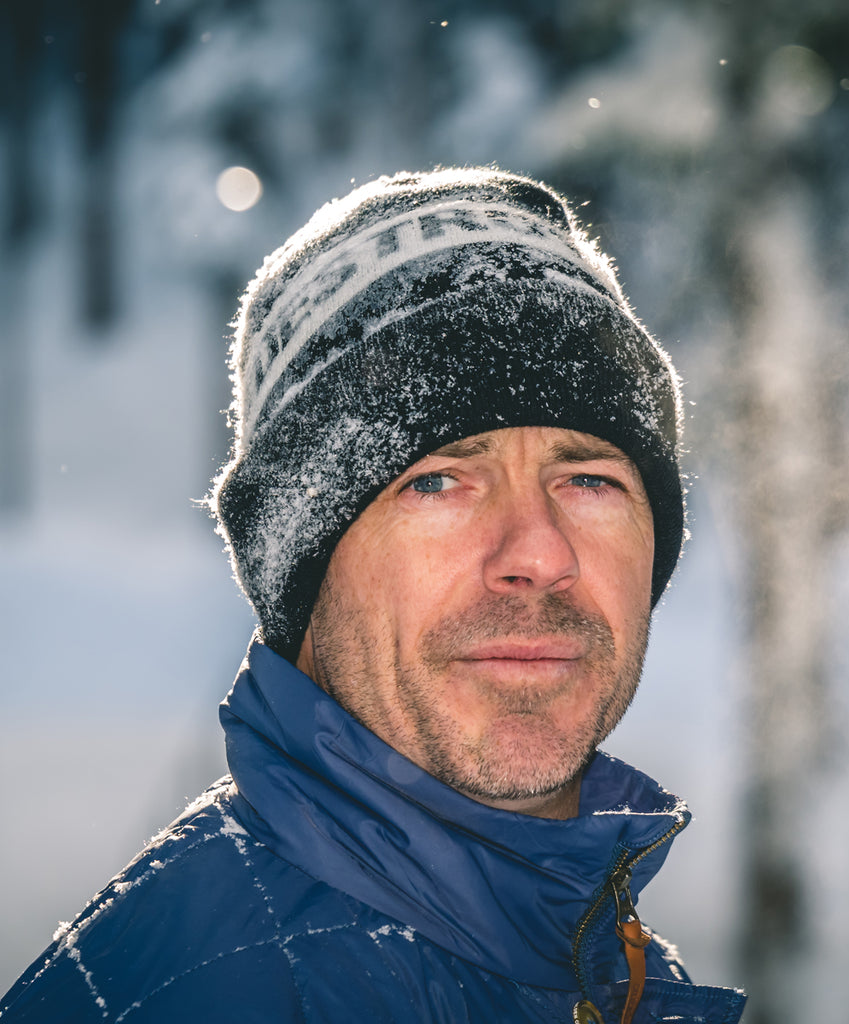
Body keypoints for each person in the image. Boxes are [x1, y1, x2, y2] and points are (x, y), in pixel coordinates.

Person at [0, 168, 746, 1023]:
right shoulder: (207, 996)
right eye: (436, 482)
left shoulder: (594, 961)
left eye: (587, 479)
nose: (539, 554)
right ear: (305, 563)